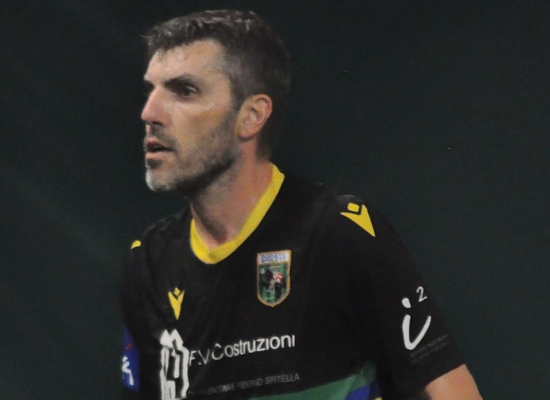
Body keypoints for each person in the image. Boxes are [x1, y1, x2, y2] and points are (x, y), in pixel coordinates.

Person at [121, 9, 483, 400]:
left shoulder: (340, 234)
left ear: (251, 116)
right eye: (152, 90)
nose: (149, 113)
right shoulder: (149, 262)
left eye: (185, 91)